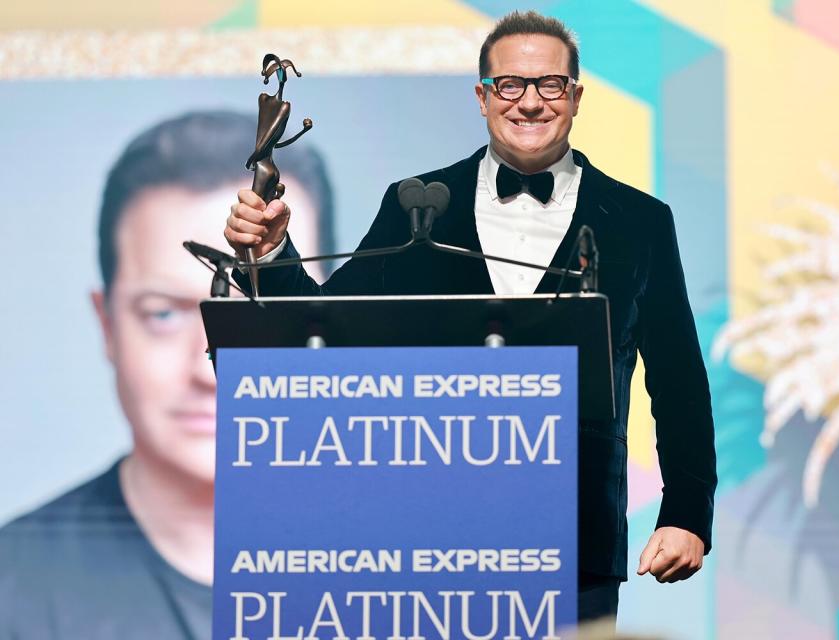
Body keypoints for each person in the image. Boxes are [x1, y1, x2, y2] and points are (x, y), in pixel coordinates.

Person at [225, 10, 717, 621]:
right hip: (429, 535)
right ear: (482, 98)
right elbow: (333, 333)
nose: (530, 102)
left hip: (577, 538)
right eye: (510, 84)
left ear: (577, 97)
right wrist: (271, 252)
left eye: (550, 85)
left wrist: (686, 515)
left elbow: (680, 384)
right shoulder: (416, 204)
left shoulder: (641, 221)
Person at [0, 111, 333, 639]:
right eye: (163, 313)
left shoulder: (424, 574)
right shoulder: (10, 589)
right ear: (107, 323)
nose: (210, 368)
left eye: (256, 304)